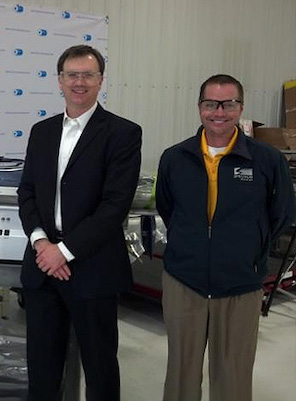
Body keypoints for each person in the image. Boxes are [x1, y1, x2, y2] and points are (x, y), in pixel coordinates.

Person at [156, 74, 295, 401]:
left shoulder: (267, 161)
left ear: (240, 108)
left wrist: (247, 251)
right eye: (210, 104)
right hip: (183, 281)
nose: (219, 111)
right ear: (200, 108)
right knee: (181, 373)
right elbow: (167, 208)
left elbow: (281, 214)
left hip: (240, 284)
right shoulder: (175, 158)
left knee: (233, 374)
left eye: (228, 104)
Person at [17, 45, 142, 401]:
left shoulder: (123, 133)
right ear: (60, 80)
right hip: (42, 267)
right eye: (72, 75)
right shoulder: (41, 132)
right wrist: (43, 244)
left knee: (100, 367)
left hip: (92, 266)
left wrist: (65, 252)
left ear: (101, 80)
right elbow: (26, 192)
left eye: (88, 75)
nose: (80, 82)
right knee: (42, 367)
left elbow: (113, 206)